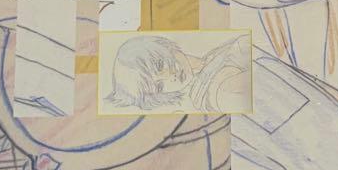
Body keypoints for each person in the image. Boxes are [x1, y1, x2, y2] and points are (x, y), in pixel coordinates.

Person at [105, 33, 251, 113]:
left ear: (165, 46)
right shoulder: (218, 91)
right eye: (159, 87)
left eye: (159, 65)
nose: (170, 76)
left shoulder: (211, 61)